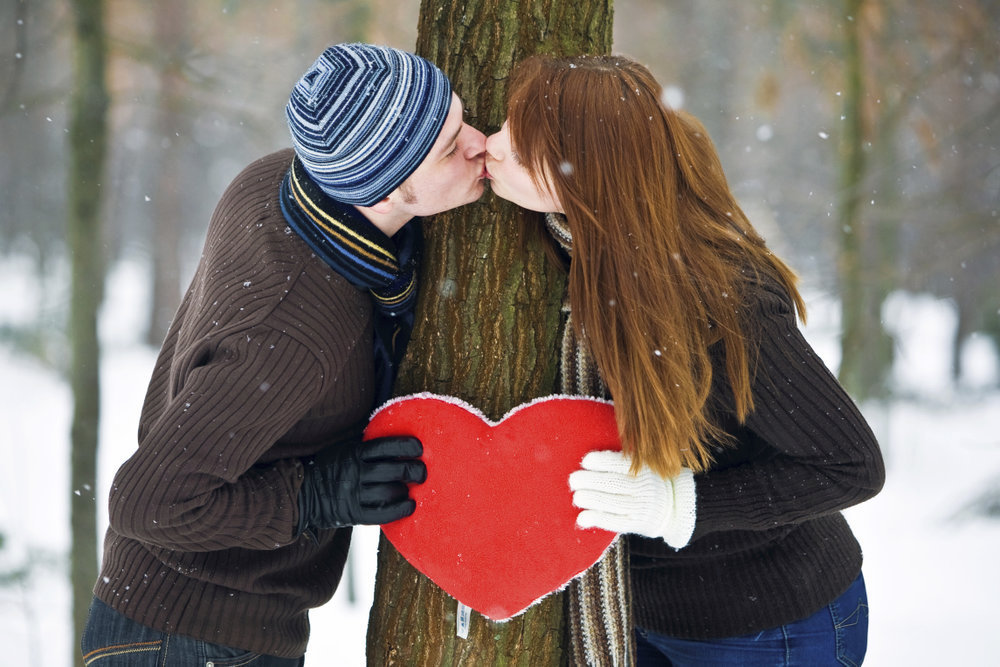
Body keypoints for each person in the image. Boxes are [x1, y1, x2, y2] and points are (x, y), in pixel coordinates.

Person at [81, 43, 487, 665]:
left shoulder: (286, 179)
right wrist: (315, 496)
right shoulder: (293, 332)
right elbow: (146, 502)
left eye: (462, 119)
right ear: (382, 189)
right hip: (191, 637)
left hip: (189, 623)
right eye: (448, 147)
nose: (478, 143)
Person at [485, 53, 885, 666]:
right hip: (634, 614)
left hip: (770, 625)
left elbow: (850, 465)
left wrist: (683, 505)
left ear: (584, 177)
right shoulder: (569, 244)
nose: (491, 147)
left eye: (519, 148)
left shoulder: (723, 302)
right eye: (507, 130)